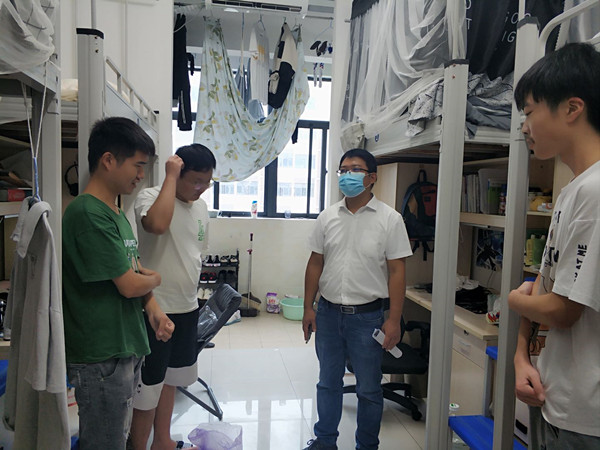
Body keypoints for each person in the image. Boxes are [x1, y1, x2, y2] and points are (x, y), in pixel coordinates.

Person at [62, 117, 175, 450]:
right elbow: (129, 283)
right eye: (137, 165)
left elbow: (134, 271)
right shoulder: (87, 213)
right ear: (108, 160)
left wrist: (154, 310)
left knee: (115, 437)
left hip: (122, 347)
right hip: (101, 354)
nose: (141, 175)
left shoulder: (114, 213)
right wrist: (156, 278)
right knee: (104, 443)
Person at [509, 42, 600, 449]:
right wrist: (521, 356)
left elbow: (563, 310)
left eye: (529, 112)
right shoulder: (571, 191)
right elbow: (545, 286)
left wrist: (513, 300)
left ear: (572, 108)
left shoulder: (595, 191)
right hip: (555, 392)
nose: (524, 127)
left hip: (585, 416)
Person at [302, 148, 413, 450]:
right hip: (327, 314)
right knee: (328, 383)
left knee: (368, 389)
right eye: (343, 170)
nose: (347, 175)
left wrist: (393, 320)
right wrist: (308, 308)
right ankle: (325, 441)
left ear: (372, 177)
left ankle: (366, 446)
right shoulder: (327, 217)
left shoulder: (390, 219)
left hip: (368, 318)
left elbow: (397, 272)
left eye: (355, 169)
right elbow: (315, 263)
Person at [130, 144, 216, 450]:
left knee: (170, 381)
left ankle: (162, 441)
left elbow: (196, 251)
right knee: (147, 388)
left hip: (186, 307)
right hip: (155, 309)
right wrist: (169, 176)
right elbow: (156, 225)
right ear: (177, 173)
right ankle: (138, 446)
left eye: (207, 183)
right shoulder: (150, 197)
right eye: (195, 181)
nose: (201, 189)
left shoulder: (201, 208)